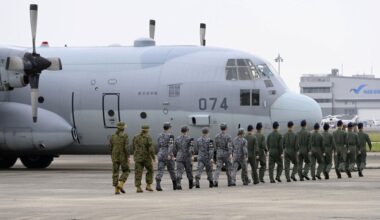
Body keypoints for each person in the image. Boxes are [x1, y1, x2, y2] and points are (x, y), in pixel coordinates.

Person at [132, 125, 155, 193]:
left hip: (138, 157)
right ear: (147, 130)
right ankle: (148, 185)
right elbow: (151, 149)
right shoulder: (148, 137)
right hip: (146, 158)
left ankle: (138, 187)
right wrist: (153, 157)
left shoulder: (135, 137)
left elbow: (133, 147)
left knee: (138, 172)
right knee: (150, 170)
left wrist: (136, 154)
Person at [109, 122, 130, 195]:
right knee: (126, 170)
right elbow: (126, 147)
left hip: (114, 156)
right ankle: (120, 184)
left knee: (115, 172)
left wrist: (112, 156)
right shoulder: (125, 136)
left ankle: (116, 190)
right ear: (123, 128)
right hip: (123, 156)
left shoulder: (112, 136)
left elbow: (110, 147)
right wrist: (128, 157)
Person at [155, 122, 177, 191]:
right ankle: (175, 185)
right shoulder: (171, 136)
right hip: (168, 154)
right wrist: (170, 154)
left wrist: (159, 153)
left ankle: (158, 185)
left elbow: (158, 145)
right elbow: (171, 145)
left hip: (161, 153)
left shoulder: (159, 135)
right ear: (169, 128)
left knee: (160, 170)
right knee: (171, 170)